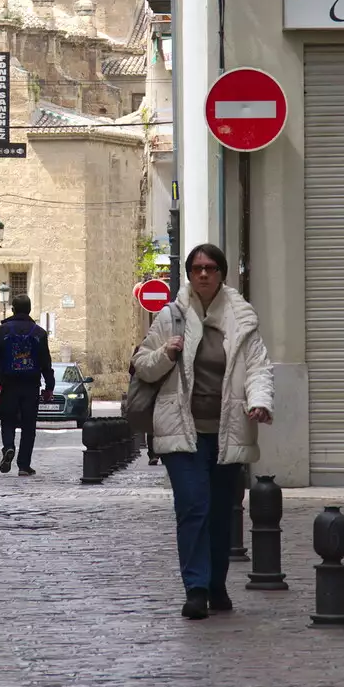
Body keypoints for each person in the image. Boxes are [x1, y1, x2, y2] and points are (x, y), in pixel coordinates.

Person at [132, 243, 273, 621]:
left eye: (211, 267)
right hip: (182, 430)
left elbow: (258, 367)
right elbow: (142, 365)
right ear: (190, 274)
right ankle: (196, 588)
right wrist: (167, 353)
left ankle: (216, 584)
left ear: (222, 273)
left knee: (222, 512)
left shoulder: (242, 319)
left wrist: (261, 401)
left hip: (228, 431)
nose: (204, 274)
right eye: (197, 268)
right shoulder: (171, 317)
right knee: (193, 507)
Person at [0, 295, 54, 477]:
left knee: (8, 420)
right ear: (29, 309)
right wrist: (49, 386)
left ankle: (9, 447)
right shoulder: (39, 333)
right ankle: (24, 465)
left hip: (9, 383)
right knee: (29, 425)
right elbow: (46, 361)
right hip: (31, 384)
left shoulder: (1, 331)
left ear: (13, 309)